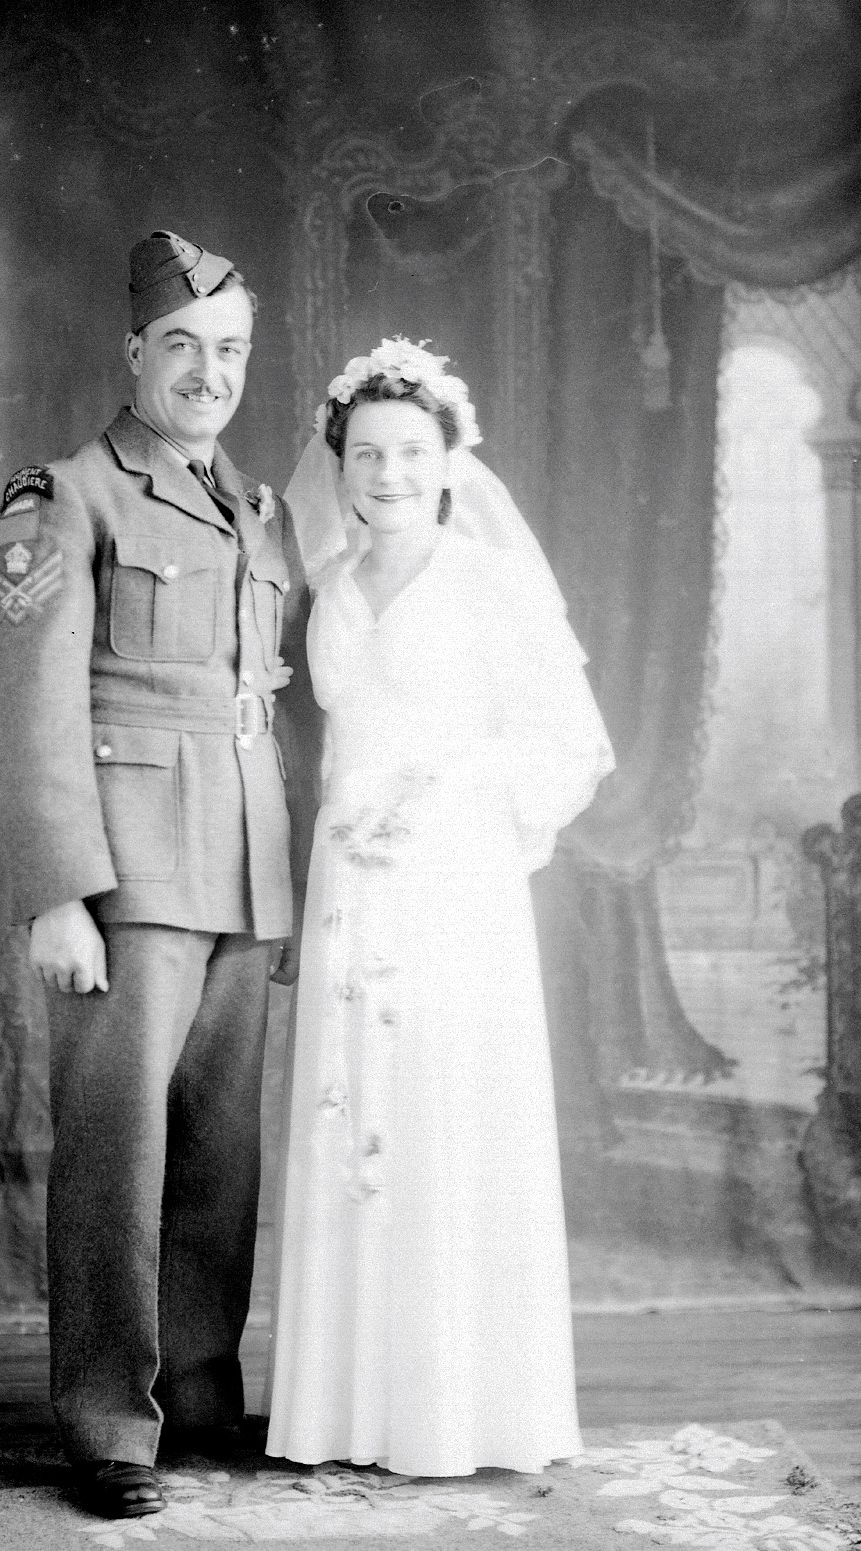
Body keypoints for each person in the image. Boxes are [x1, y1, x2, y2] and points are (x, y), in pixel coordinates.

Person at [0, 230, 319, 1518]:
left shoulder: (258, 508)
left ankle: (203, 1397)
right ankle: (111, 1426)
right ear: (134, 354)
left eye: (229, 351)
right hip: (125, 871)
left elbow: (267, 700)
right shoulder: (67, 493)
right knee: (118, 1157)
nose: (209, 373)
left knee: (218, 1156)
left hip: (241, 865)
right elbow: (25, 704)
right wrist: (57, 888)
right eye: (183, 346)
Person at [265, 338, 615, 1478]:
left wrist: (442, 796)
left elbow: (564, 742)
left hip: (452, 879)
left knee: (444, 1115)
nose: (388, 473)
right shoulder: (321, 585)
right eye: (366, 452)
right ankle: (344, 1415)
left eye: (411, 451)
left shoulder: (490, 582)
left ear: (451, 459)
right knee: (346, 1113)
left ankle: (459, 1412)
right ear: (340, 462)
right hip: (349, 888)